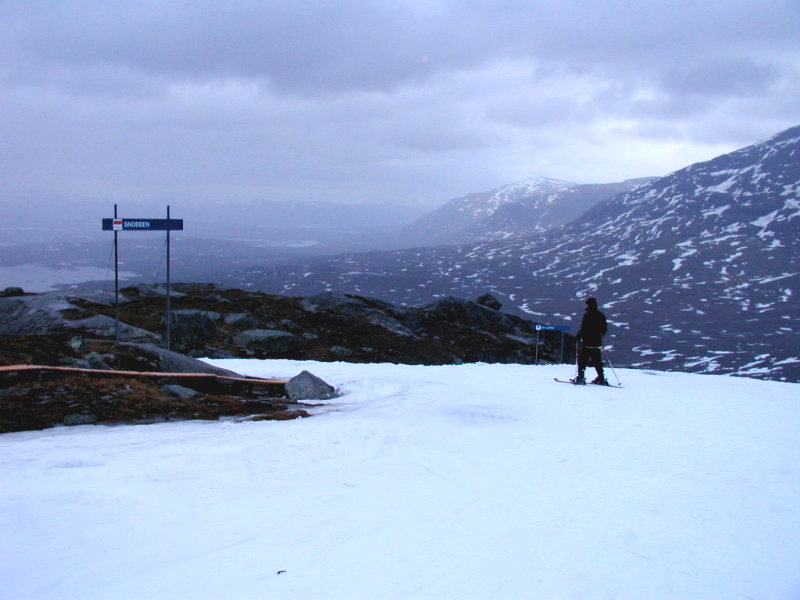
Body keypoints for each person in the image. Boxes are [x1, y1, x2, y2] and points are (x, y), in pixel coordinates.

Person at [574, 297, 608, 385]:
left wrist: (578, 337)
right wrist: (600, 337)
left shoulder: (587, 315)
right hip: (597, 342)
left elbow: (584, 328)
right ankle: (601, 377)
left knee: (583, 360)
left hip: (587, 342)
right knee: (597, 361)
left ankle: (581, 377)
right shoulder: (601, 315)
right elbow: (604, 329)